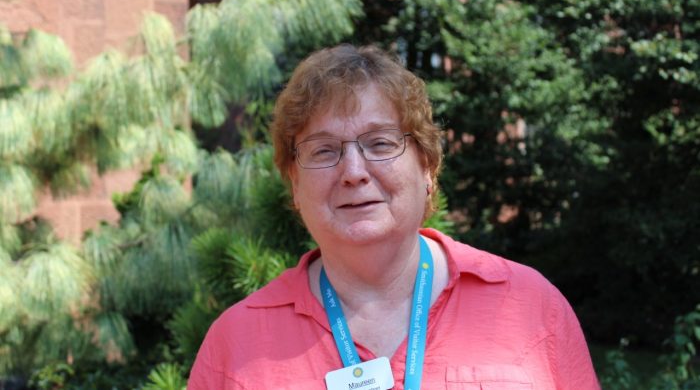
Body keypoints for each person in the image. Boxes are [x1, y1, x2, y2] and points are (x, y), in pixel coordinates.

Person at [187, 44, 600, 389]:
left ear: (427, 169)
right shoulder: (235, 345)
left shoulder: (529, 306)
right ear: (295, 184)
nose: (353, 172)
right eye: (324, 150)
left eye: (380, 143)